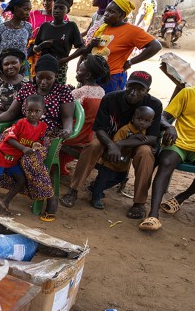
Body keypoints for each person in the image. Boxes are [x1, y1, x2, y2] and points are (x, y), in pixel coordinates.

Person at [60, 71, 175, 219]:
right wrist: (112, 144)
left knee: (146, 153)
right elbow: (99, 129)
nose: (133, 93)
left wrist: (120, 144)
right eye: (130, 87)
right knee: (93, 146)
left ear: (147, 91)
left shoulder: (153, 104)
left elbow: (152, 137)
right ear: (125, 85)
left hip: (136, 143)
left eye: (140, 89)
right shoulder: (110, 99)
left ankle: (139, 202)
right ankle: (73, 190)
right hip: (108, 139)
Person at [0, 54, 75, 220]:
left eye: (49, 78)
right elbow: (11, 112)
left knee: (29, 160)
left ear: (55, 76)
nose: (44, 82)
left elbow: (67, 118)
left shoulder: (63, 91)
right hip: (21, 131)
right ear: (34, 75)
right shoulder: (27, 89)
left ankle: (50, 198)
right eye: (40, 77)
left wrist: (67, 130)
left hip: (47, 136)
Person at [141, 85, 195, 230]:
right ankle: (153, 215)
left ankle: (182, 197)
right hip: (180, 142)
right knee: (165, 162)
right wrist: (170, 127)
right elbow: (163, 117)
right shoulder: (188, 92)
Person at [86, 0, 162, 92]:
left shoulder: (132, 31)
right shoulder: (103, 28)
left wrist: (130, 62)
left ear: (121, 15)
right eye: (106, 10)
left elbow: (156, 46)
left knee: (108, 104)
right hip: (93, 75)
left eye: (111, 12)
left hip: (112, 77)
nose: (106, 14)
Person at [0, 94, 48, 214]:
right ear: (24, 110)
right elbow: (9, 138)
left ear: (43, 111)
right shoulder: (21, 123)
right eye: (29, 111)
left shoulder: (43, 127)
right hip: (0, 156)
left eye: (37, 111)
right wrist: (23, 148)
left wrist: (37, 146)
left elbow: (38, 141)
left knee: (21, 180)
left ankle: (5, 201)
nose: (33, 114)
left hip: (12, 161)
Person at [90, 106, 155, 210]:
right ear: (133, 118)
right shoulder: (125, 130)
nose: (142, 123)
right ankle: (96, 197)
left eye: (147, 121)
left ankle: (95, 188)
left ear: (151, 123)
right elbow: (115, 144)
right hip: (110, 162)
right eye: (140, 119)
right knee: (103, 178)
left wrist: (152, 149)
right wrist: (132, 139)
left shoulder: (144, 133)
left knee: (120, 178)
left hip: (123, 164)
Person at [59, 54, 109, 175]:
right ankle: (61, 165)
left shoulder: (80, 92)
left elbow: (64, 110)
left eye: (80, 70)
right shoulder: (101, 91)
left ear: (87, 75)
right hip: (89, 133)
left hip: (76, 133)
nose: (77, 72)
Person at [32, 0, 85, 85]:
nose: (57, 11)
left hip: (60, 66)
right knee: (41, 90)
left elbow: (82, 48)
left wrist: (65, 60)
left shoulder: (71, 26)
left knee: (58, 92)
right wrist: (42, 45)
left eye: (61, 8)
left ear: (67, 11)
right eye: (55, 7)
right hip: (43, 64)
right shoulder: (45, 26)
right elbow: (35, 48)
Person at [0, 0, 32, 70]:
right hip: (5, 67)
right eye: (25, 9)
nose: (28, 13)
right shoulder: (1, 28)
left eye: (29, 10)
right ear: (16, 8)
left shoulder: (28, 27)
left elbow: (25, 45)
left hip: (22, 67)